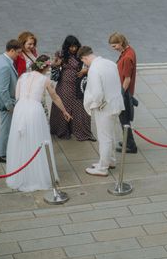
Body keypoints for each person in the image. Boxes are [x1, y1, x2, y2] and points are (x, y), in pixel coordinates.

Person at [6, 55, 69, 192]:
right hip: (34, 110)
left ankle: (21, 174)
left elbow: (17, 96)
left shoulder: (22, 77)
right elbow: (55, 97)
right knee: (37, 141)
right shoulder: (45, 80)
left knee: (21, 140)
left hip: (20, 109)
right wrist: (64, 111)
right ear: (45, 67)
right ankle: (38, 175)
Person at [79, 46, 125, 176]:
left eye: (84, 62)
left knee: (104, 137)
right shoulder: (109, 63)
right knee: (111, 134)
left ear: (85, 58)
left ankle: (102, 168)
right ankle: (110, 160)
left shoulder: (94, 69)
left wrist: (94, 104)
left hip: (104, 107)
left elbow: (98, 93)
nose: (85, 65)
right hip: (116, 104)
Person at [49, 35, 95, 141]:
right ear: (67, 46)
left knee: (80, 109)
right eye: (71, 47)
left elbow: (93, 64)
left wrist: (85, 71)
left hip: (78, 85)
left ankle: (82, 131)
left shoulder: (82, 54)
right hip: (64, 85)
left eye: (75, 46)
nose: (73, 49)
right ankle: (62, 130)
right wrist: (56, 64)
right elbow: (54, 69)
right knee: (63, 106)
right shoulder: (61, 54)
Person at [0, 39, 22, 163]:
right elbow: (3, 90)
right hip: (6, 103)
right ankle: (3, 155)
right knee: (6, 129)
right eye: (18, 53)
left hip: (5, 100)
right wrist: (10, 106)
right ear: (12, 50)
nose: (18, 55)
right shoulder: (5, 66)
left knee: (6, 127)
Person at [109, 32, 138, 154]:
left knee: (124, 120)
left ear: (121, 43)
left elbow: (127, 79)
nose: (113, 48)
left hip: (124, 93)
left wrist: (120, 95)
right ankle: (127, 141)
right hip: (126, 92)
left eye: (114, 46)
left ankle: (131, 145)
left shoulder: (126, 57)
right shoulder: (129, 51)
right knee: (124, 119)